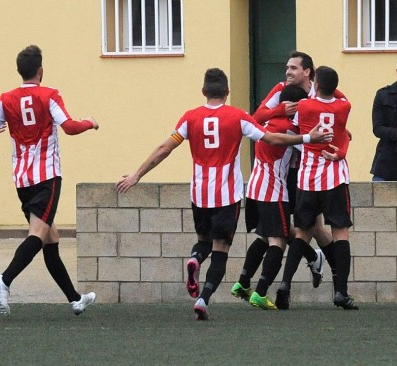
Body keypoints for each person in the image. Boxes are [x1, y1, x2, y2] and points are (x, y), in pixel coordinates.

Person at [116, 68, 333, 320]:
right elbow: (271, 138)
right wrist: (308, 137)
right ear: (227, 92)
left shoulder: (190, 118)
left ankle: (196, 258)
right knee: (221, 249)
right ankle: (203, 299)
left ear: (204, 92)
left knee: (203, 241)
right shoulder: (238, 116)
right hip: (227, 195)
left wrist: (137, 175)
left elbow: (165, 148)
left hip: (199, 193)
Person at [0, 45, 99, 316]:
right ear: (41, 71)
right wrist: (90, 122)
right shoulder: (50, 94)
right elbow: (70, 127)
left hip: (22, 179)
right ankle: (5, 280)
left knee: (51, 238)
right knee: (38, 235)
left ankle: (75, 299)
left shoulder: (5, 98)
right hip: (46, 177)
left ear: (20, 71)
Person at [253, 51, 346, 309]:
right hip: (288, 171)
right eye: (287, 67)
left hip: (309, 169)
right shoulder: (281, 90)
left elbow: (340, 116)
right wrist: (281, 110)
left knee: (313, 227)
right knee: (302, 228)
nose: (288, 72)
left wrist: (342, 138)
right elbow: (257, 116)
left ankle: (335, 278)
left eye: (293, 68)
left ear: (308, 72)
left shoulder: (321, 93)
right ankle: (326, 274)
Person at [230, 84, 308, 310]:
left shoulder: (264, 122)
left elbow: (258, 116)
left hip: (254, 186)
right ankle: (261, 293)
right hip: (273, 189)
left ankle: (243, 283)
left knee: (263, 237)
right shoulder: (291, 129)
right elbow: (310, 145)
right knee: (279, 241)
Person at [288, 65, 358, 310]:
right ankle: (341, 291)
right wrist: (327, 86)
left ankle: (285, 285)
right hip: (334, 177)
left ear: (316, 84)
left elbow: (295, 126)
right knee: (340, 231)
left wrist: (314, 88)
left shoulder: (305, 106)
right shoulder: (343, 106)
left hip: (308, 176)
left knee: (302, 231)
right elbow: (339, 97)